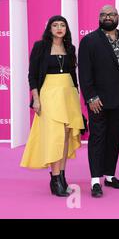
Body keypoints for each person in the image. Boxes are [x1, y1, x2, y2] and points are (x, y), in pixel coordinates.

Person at [21, 15, 84, 197]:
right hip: (49, 95)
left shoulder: (70, 48)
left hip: (68, 96)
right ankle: (55, 179)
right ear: (49, 28)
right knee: (55, 137)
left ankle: (62, 177)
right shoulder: (40, 47)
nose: (58, 28)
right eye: (55, 25)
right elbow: (32, 75)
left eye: (62, 25)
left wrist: (77, 98)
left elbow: (73, 75)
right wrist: (36, 99)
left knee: (64, 137)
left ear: (66, 29)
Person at [78, 5, 119, 198]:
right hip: (97, 100)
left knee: (114, 139)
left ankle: (109, 175)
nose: (108, 17)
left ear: (118, 16)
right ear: (99, 18)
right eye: (104, 15)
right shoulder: (89, 41)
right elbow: (84, 72)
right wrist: (90, 97)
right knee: (97, 139)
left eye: (111, 14)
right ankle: (95, 181)